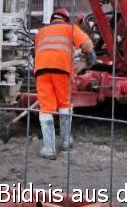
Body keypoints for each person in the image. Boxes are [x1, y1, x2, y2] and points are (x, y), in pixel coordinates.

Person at [34, 8, 96, 159]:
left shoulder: (41, 32)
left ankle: (49, 149)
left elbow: (36, 51)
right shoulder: (70, 28)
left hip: (41, 70)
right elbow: (87, 43)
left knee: (46, 108)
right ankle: (66, 142)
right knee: (64, 104)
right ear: (66, 19)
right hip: (61, 70)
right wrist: (91, 54)